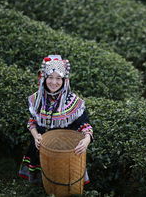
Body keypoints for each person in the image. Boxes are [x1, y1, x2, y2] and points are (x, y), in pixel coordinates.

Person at [18, 55, 93, 185]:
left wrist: (86, 140)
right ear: (44, 78)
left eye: (58, 78)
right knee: (42, 183)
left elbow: (85, 125)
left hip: (63, 151)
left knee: (62, 183)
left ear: (65, 80)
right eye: (50, 77)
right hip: (40, 147)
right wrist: (36, 136)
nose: (54, 82)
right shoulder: (37, 99)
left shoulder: (73, 102)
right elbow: (32, 122)